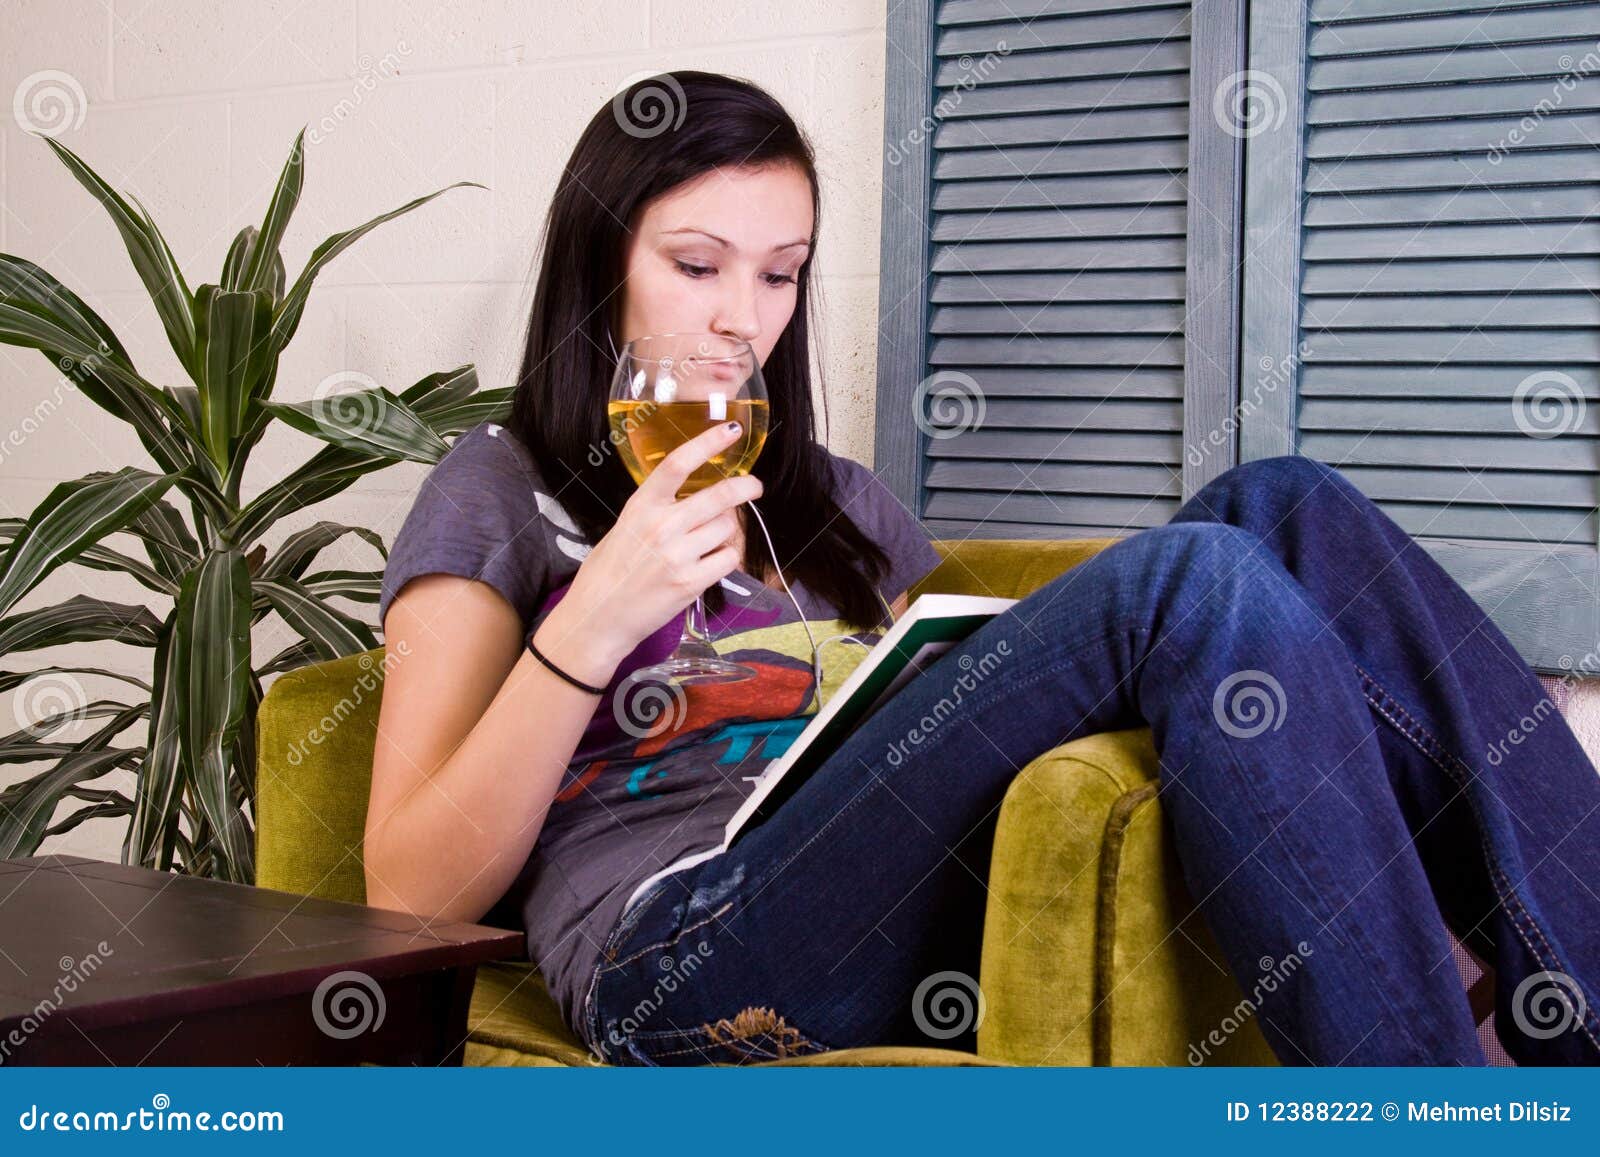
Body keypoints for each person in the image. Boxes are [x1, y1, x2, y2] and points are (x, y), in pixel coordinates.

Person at [368, 71, 1600, 1067]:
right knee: (1194, 579)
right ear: (601, 265)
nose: (743, 317)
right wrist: (589, 626)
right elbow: (407, 886)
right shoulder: (499, 486)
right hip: (677, 947)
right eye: (698, 266)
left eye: (780, 273)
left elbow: (944, 716)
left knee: (1288, 501)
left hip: (908, 893)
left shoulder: (838, 501)